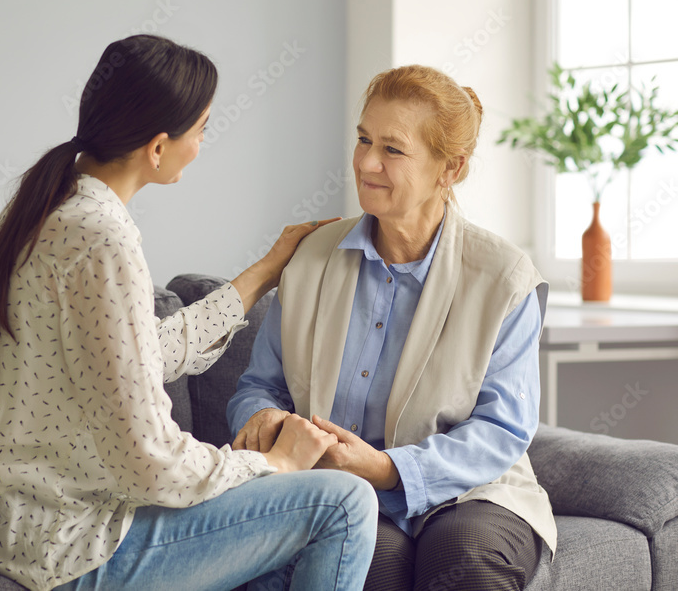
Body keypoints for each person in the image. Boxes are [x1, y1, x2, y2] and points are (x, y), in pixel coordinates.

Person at [0, 34, 378, 591]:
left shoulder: (49, 208)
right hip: (66, 548)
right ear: (158, 146)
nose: (201, 145)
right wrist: (274, 464)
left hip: (1, 532)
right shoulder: (103, 237)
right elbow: (149, 460)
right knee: (346, 502)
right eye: (202, 130)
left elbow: (136, 356)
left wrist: (265, 271)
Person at [228, 64, 557, 591]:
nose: (366, 162)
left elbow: (503, 430)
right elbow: (260, 386)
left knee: (465, 555)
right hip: (336, 489)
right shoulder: (312, 256)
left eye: (392, 149)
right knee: (370, 557)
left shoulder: (503, 276)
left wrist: (388, 469)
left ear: (449, 169)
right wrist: (264, 418)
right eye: (363, 140)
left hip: (470, 491)